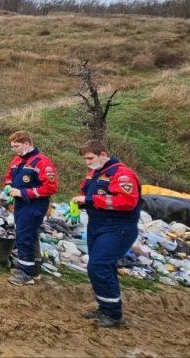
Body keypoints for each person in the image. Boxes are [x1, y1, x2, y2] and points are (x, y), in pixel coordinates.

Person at [70, 140, 141, 328]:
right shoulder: (95, 173)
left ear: (103, 154)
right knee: (101, 267)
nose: (88, 162)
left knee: (99, 266)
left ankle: (114, 315)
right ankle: (106, 307)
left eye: (90, 158)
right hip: (98, 225)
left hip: (118, 227)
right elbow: (93, 196)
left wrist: (90, 199)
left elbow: (127, 201)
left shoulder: (122, 174)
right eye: (85, 159)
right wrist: (82, 203)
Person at [3, 130, 58, 286]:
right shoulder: (16, 161)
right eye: (12, 146)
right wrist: (8, 187)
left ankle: (25, 273)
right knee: (30, 234)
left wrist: (23, 192)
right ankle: (33, 267)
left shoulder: (42, 162)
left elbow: (50, 187)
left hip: (35, 204)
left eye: (17, 146)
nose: (14, 149)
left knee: (24, 235)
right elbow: (9, 177)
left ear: (27, 144)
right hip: (20, 203)